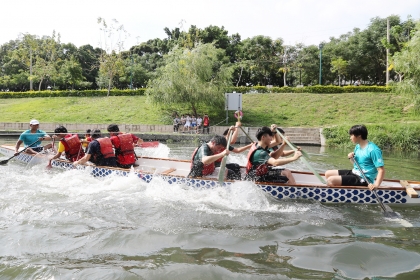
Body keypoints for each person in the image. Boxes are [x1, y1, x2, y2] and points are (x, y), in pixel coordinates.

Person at [325, 125, 385, 191]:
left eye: (351, 135)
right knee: (327, 173)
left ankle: (342, 195)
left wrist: (376, 185)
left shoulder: (373, 150)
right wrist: (351, 158)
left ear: (359, 135)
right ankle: (344, 187)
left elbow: (381, 170)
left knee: (331, 180)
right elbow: (355, 164)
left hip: (364, 178)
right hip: (355, 172)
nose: (350, 138)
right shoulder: (358, 146)